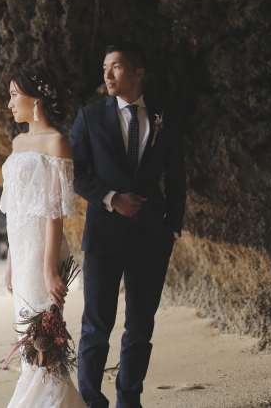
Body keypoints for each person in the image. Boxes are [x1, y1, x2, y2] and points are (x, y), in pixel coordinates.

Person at [69, 44, 186, 408]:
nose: (107, 74)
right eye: (105, 67)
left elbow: (177, 175)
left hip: (152, 236)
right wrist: (110, 198)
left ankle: (129, 399)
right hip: (104, 235)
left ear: (138, 73)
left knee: (139, 327)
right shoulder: (89, 117)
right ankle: (91, 399)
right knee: (96, 326)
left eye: (116, 67)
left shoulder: (165, 117)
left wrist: (173, 227)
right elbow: (74, 173)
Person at [0, 61, 87, 408]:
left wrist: (50, 268)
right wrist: (10, 260)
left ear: (35, 99)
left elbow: (54, 211)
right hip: (20, 254)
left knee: (43, 342)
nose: (9, 103)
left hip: (42, 252)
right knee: (26, 337)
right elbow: (14, 208)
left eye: (14, 95)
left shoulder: (57, 142)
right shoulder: (18, 141)